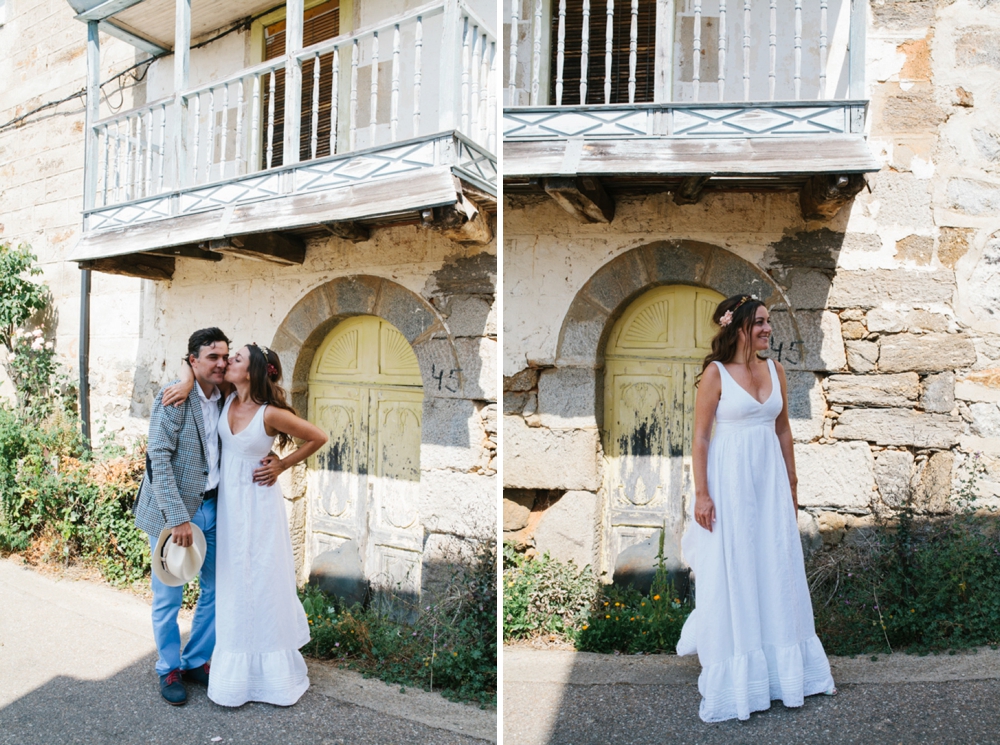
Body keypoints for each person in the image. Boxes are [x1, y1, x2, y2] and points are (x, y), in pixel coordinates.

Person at [676, 294, 835, 723]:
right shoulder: (716, 374)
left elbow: (782, 430)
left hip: (770, 484)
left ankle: (788, 673)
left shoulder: (775, 369)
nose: (767, 328)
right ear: (739, 327)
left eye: (768, 321)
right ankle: (740, 676)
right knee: (738, 567)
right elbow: (701, 437)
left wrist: (792, 484)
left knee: (776, 565)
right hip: (729, 485)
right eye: (760, 322)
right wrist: (702, 494)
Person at [167, 343, 327, 707]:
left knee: (262, 579)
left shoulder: (270, 413)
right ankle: (234, 670)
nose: (227, 362)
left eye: (235, 359)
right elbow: (190, 361)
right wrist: (187, 380)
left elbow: (318, 437)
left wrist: (282, 464)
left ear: (252, 372)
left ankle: (269, 673)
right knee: (234, 581)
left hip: (259, 505)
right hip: (230, 506)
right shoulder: (227, 396)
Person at [133, 327, 229, 706]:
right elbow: (157, 457)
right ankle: (168, 667)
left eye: (225, 356)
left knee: (216, 590)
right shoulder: (174, 396)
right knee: (169, 595)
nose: (221, 363)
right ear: (193, 360)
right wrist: (177, 518)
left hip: (215, 508)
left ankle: (196, 660)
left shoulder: (227, 396)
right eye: (212, 357)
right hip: (172, 511)